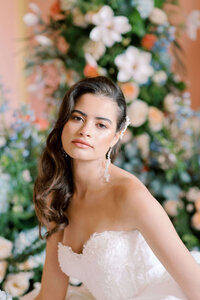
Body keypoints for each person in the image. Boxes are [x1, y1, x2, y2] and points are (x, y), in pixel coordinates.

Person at [22, 76, 200, 300]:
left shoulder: (130, 195)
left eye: (101, 125)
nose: (86, 131)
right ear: (63, 123)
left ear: (116, 137)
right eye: (77, 118)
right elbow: (51, 295)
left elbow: (196, 286)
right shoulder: (57, 196)